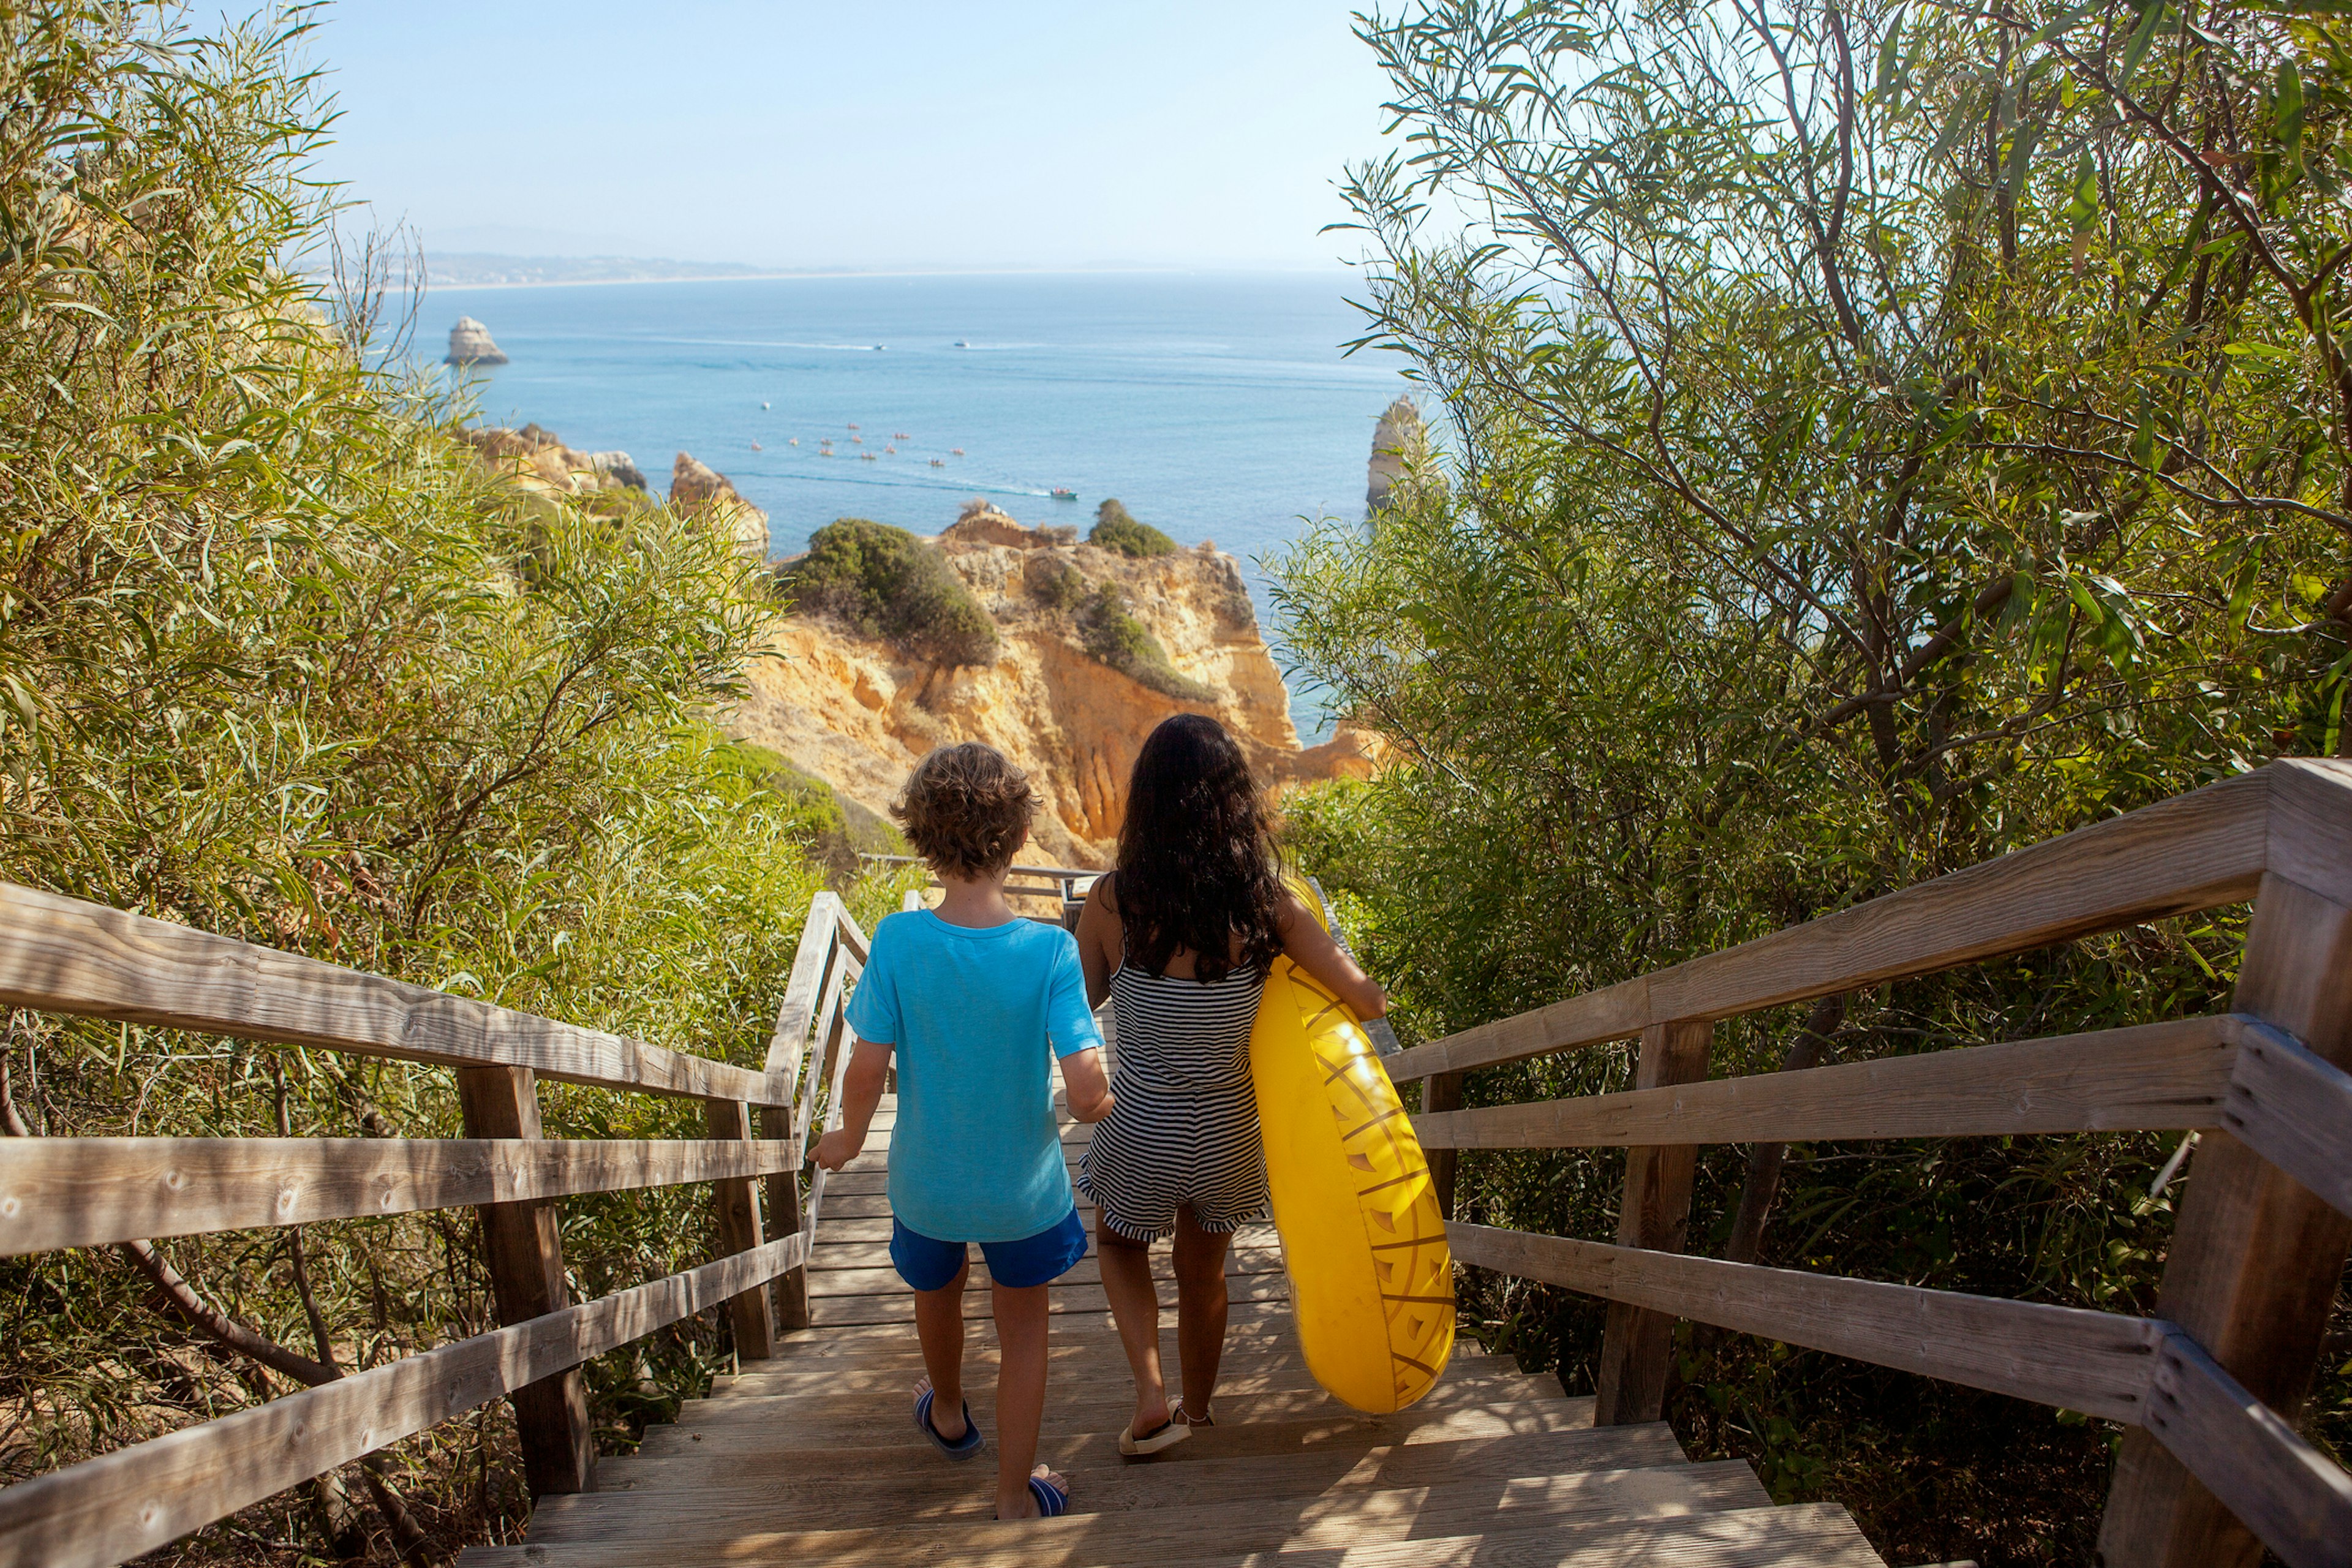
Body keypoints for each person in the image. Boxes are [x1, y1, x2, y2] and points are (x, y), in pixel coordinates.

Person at [813, 742, 1115, 1519]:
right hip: (1023, 1195)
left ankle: (947, 1412)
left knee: (936, 1293)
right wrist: (1098, 1102)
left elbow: (865, 1067)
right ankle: (1014, 1496)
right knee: (1024, 1333)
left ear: (922, 835)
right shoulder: (1049, 950)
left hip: (928, 1185)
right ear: (1017, 840)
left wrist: (849, 1137)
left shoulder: (900, 940)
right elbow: (1086, 1084)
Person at [1073, 714, 1385, 1455]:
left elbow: (1075, 1007)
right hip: (1229, 1136)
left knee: (1118, 1246)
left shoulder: (1112, 901)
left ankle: (1151, 1393)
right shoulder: (1267, 903)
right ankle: (1199, 1412)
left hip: (1141, 1122)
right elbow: (1368, 1001)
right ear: (1233, 803)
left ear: (1147, 801)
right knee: (1203, 1271)